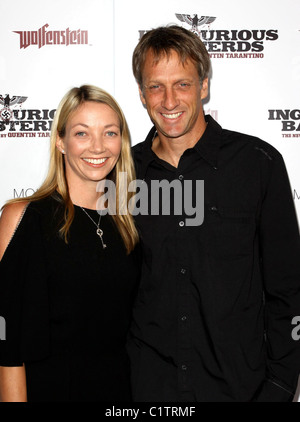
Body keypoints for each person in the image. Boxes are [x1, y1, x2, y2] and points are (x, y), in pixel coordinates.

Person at [127, 25, 300, 402]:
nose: (169, 100)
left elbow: (288, 290)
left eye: (183, 84)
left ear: (204, 86)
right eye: (156, 86)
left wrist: (281, 386)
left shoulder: (258, 165)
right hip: (148, 391)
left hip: (241, 391)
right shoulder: (123, 173)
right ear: (141, 94)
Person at [0, 85, 140, 402]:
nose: (98, 146)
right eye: (82, 133)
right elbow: (7, 343)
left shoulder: (128, 222)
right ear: (61, 142)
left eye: (110, 133)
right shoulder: (23, 218)